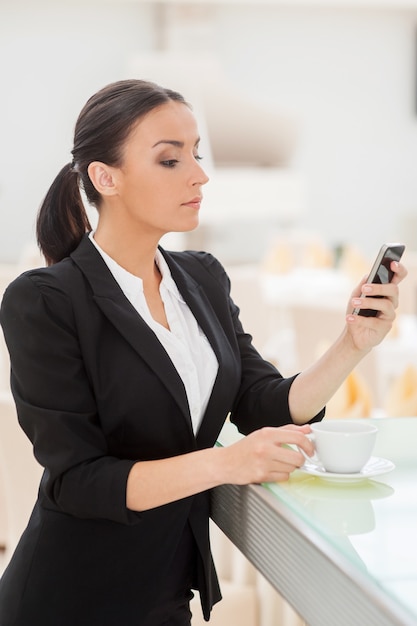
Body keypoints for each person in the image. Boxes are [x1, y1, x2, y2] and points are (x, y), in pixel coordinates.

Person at [0, 79, 406, 626]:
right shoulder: (45, 301)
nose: (199, 174)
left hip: (166, 593)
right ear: (105, 177)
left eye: (196, 153)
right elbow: (80, 481)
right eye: (170, 160)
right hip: (71, 597)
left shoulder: (202, 278)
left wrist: (352, 345)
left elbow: (261, 402)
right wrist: (228, 462)